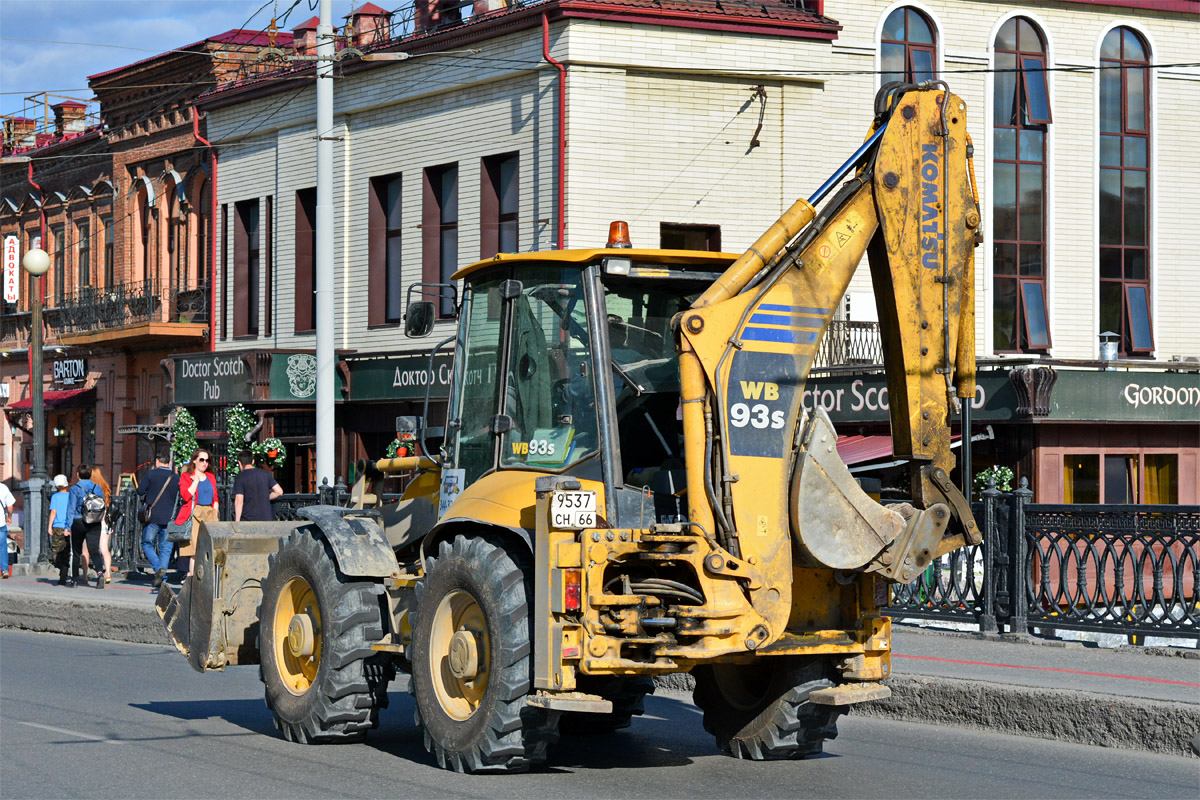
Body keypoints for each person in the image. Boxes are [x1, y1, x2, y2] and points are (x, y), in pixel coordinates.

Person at [137, 447, 179, 588]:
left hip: (152, 517)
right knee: (166, 549)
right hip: (169, 518)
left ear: (157, 461)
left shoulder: (151, 475)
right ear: (169, 463)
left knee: (147, 543)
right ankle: (163, 578)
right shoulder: (175, 478)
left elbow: (140, 490)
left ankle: (158, 569)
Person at [175, 448, 218, 578]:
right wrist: (196, 481)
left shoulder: (211, 477)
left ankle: (207, 578)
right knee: (194, 550)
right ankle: (192, 578)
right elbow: (186, 496)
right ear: (194, 461)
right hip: (194, 514)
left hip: (210, 514)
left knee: (211, 547)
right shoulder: (186, 477)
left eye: (207, 460)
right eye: (201, 460)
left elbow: (215, 498)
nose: (205, 463)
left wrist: (215, 512)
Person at [68, 465, 106, 590]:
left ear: (78, 474)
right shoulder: (97, 487)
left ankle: (74, 579)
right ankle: (100, 573)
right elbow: (102, 504)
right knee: (94, 549)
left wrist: (67, 526)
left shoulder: (75, 488)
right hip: (95, 521)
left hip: (79, 521)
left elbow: (71, 508)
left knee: (77, 552)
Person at [81, 467, 113, 583]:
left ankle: (84, 575)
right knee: (104, 549)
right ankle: (108, 573)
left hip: (90, 521)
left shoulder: (88, 489)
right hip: (103, 521)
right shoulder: (104, 489)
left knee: (86, 550)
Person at [233, 450, 282, 522]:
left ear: (239, 463)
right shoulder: (265, 474)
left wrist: (237, 522)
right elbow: (279, 491)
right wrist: (265, 497)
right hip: (266, 519)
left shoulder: (240, 478)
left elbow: (239, 501)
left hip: (248, 519)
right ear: (253, 461)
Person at [47, 474, 72, 585]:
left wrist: (49, 526)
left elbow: (53, 512)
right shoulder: (71, 496)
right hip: (69, 526)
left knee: (56, 550)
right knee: (66, 549)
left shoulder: (55, 497)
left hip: (57, 526)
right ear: (67, 484)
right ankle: (65, 567)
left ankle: (61, 566)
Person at [0, 478, 15, 579]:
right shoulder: (3, 488)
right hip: (0, 522)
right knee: (2, 547)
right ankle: (5, 569)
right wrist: (9, 517)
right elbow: (10, 507)